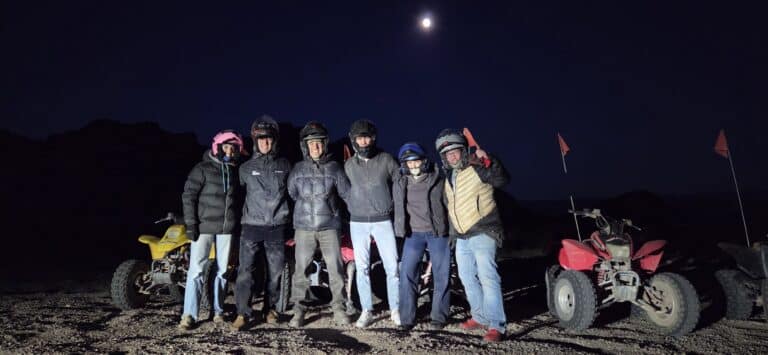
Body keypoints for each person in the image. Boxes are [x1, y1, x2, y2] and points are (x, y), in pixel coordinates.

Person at [435, 129, 510, 342]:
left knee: (488, 277)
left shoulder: (478, 166)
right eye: (447, 154)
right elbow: (452, 208)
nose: (452, 156)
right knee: (466, 277)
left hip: (484, 229)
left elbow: (501, 180)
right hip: (461, 236)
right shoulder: (449, 176)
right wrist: (452, 235)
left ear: (463, 150)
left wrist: (490, 160)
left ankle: (497, 325)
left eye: (455, 151)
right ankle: (479, 316)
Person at [179, 130, 246, 330]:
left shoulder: (235, 171)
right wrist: (191, 224)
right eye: (226, 147)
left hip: (226, 229)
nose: (230, 151)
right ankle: (189, 314)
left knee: (223, 271)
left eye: (233, 148)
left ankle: (217, 311)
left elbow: (239, 200)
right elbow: (188, 195)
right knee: (196, 271)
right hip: (203, 227)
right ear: (217, 147)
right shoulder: (202, 168)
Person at [287, 121, 351, 327]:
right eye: (311, 143)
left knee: (335, 269)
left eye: (319, 143)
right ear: (305, 146)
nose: (316, 147)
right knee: (301, 271)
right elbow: (292, 193)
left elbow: (346, 194)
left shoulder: (335, 168)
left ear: (325, 144)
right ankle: (298, 310)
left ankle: (339, 309)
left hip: (329, 227)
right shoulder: (297, 169)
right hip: (304, 227)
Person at [231, 115, 292, 331]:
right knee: (245, 271)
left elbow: (293, 194)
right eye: (261, 139)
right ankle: (242, 313)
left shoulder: (285, 165)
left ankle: (271, 310)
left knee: (274, 272)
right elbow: (236, 196)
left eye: (269, 139)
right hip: (251, 227)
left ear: (274, 140)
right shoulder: (245, 168)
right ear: (255, 140)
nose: (265, 142)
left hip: (276, 226)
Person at [344, 119, 401, 328]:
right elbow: (346, 190)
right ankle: (367, 310)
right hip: (358, 222)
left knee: (392, 267)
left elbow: (400, 182)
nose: (364, 141)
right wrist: (352, 205)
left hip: (383, 220)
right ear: (354, 140)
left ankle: (395, 309)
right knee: (362, 267)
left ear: (373, 138)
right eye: (360, 138)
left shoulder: (386, 159)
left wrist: (393, 206)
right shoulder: (349, 165)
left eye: (367, 137)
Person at [393, 142, 450, 331]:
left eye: (416, 161)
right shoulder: (401, 182)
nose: (413, 166)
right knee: (407, 274)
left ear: (423, 161)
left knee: (441, 274)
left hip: (437, 232)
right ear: (404, 165)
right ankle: (407, 318)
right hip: (413, 234)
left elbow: (449, 203)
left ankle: (438, 317)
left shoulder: (437, 179)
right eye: (409, 163)